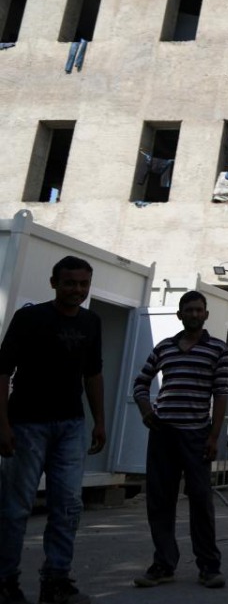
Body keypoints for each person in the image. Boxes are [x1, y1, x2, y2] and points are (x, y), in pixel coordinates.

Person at [0, 255, 106, 604]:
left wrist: (99, 421)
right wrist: (2, 423)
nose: (77, 289)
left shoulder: (92, 322)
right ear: (53, 283)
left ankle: (56, 583)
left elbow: (93, 374)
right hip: (27, 424)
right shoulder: (30, 318)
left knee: (68, 506)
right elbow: (2, 372)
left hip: (71, 425)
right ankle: (5, 583)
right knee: (15, 508)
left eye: (83, 284)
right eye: (70, 283)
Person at [131, 290, 228, 590]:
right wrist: (147, 411)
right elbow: (140, 383)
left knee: (201, 500)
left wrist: (214, 435)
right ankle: (163, 564)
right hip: (163, 435)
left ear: (206, 314)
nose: (194, 314)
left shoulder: (218, 350)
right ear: (180, 314)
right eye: (189, 310)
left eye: (199, 310)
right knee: (160, 501)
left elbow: (221, 393)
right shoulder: (164, 348)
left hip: (197, 435)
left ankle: (209, 567)